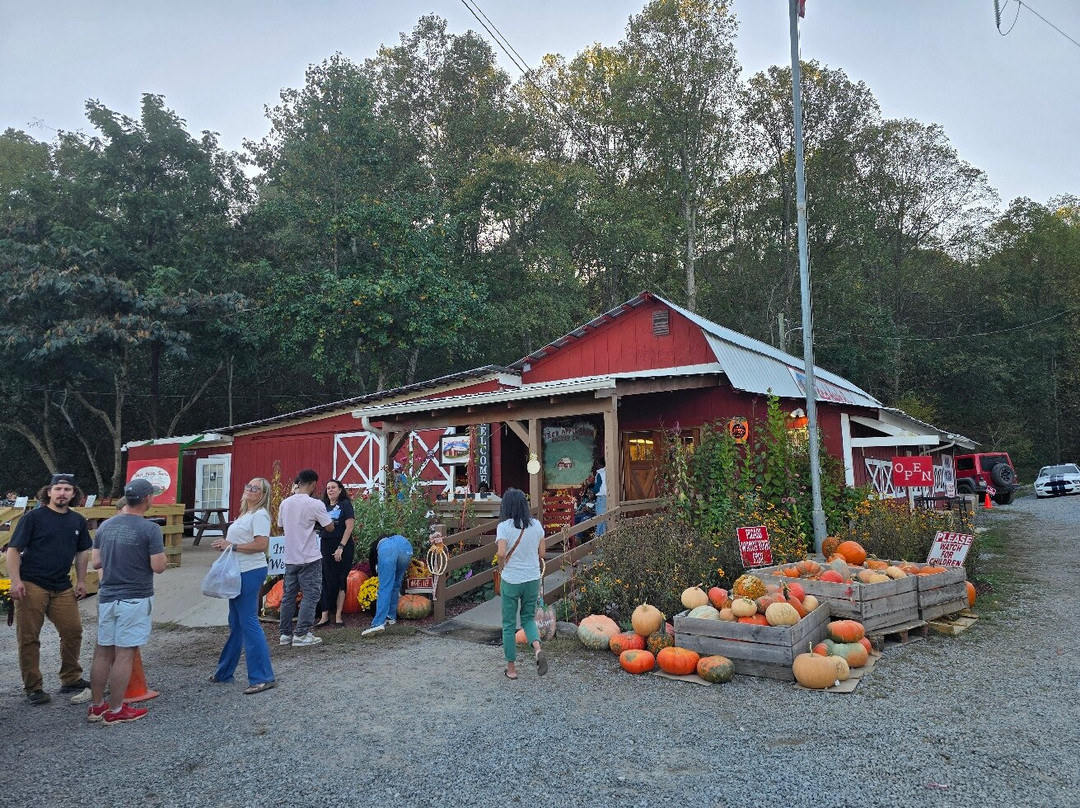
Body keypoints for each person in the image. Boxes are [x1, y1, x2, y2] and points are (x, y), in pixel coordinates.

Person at [5, 473, 92, 705]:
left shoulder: (77, 521)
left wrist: (82, 581)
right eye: (58, 489)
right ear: (49, 492)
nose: (62, 493)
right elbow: (13, 550)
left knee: (73, 631)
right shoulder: (33, 518)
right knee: (29, 637)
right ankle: (34, 687)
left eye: (67, 489)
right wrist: (15, 581)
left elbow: (82, 552)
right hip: (32, 583)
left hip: (62, 585)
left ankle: (70, 678)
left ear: (74, 494)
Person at [86, 478, 167, 724]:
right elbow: (158, 566)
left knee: (102, 653)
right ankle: (116, 708)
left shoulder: (105, 526)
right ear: (147, 500)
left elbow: (96, 563)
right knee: (124, 654)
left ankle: (97, 706)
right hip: (134, 596)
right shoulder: (150, 529)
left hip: (108, 596)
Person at [209, 477, 275, 694]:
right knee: (236, 622)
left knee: (248, 621)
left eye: (256, 488)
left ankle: (262, 676)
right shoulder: (245, 514)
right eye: (249, 485)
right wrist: (227, 546)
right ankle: (224, 671)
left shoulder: (261, 515)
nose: (250, 489)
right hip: (238, 571)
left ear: (263, 495)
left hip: (250, 571)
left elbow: (261, 544)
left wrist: (232, 545)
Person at [277, 469, 334, 647]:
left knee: (288, 596)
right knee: (311, 595)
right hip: (309, 556)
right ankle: (301, 633)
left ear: (298, 482)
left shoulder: (285, 504)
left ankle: (285, 634)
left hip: (290, 557)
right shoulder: (315, 504)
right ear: (313, 484)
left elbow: (280, 527)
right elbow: (330, 527)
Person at [495, 488, 547, 680]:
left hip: (511, 579)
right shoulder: (537, 525)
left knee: (509, 624)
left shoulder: (504, 527)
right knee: (527, 619)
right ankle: (537, 649)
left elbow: (501, 553)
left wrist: (502, 567)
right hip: (532, 578)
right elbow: (541, 554)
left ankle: (511, 669)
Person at [315, 479, 355, 628]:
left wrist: (341, 547)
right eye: (328, 488)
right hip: (325, 544)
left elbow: (349, 527)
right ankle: (324, 616)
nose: (330, 490)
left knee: (340, 578)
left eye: (333, 488)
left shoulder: (345, 505)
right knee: (325, 578)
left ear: (340, 490)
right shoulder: (323, 507)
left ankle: (338, 615)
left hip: (342, 544)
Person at [360, 531, 413, 636]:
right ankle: (391, 616)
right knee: (396, 583)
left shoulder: (380, 545)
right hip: (406, 547)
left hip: (389, 550)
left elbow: (373, 564)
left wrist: (377, 575)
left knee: (385, 587)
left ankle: (378, 623)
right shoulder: (396, 537)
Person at [593, 458, 608, 537]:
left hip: (602, 497)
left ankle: (598, 544)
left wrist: (593, 491)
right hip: (609, 497)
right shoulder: (609, 472)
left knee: (600, 520)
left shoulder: (600, 473)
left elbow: (597, 488)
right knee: (606, 521)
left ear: (599, 464)